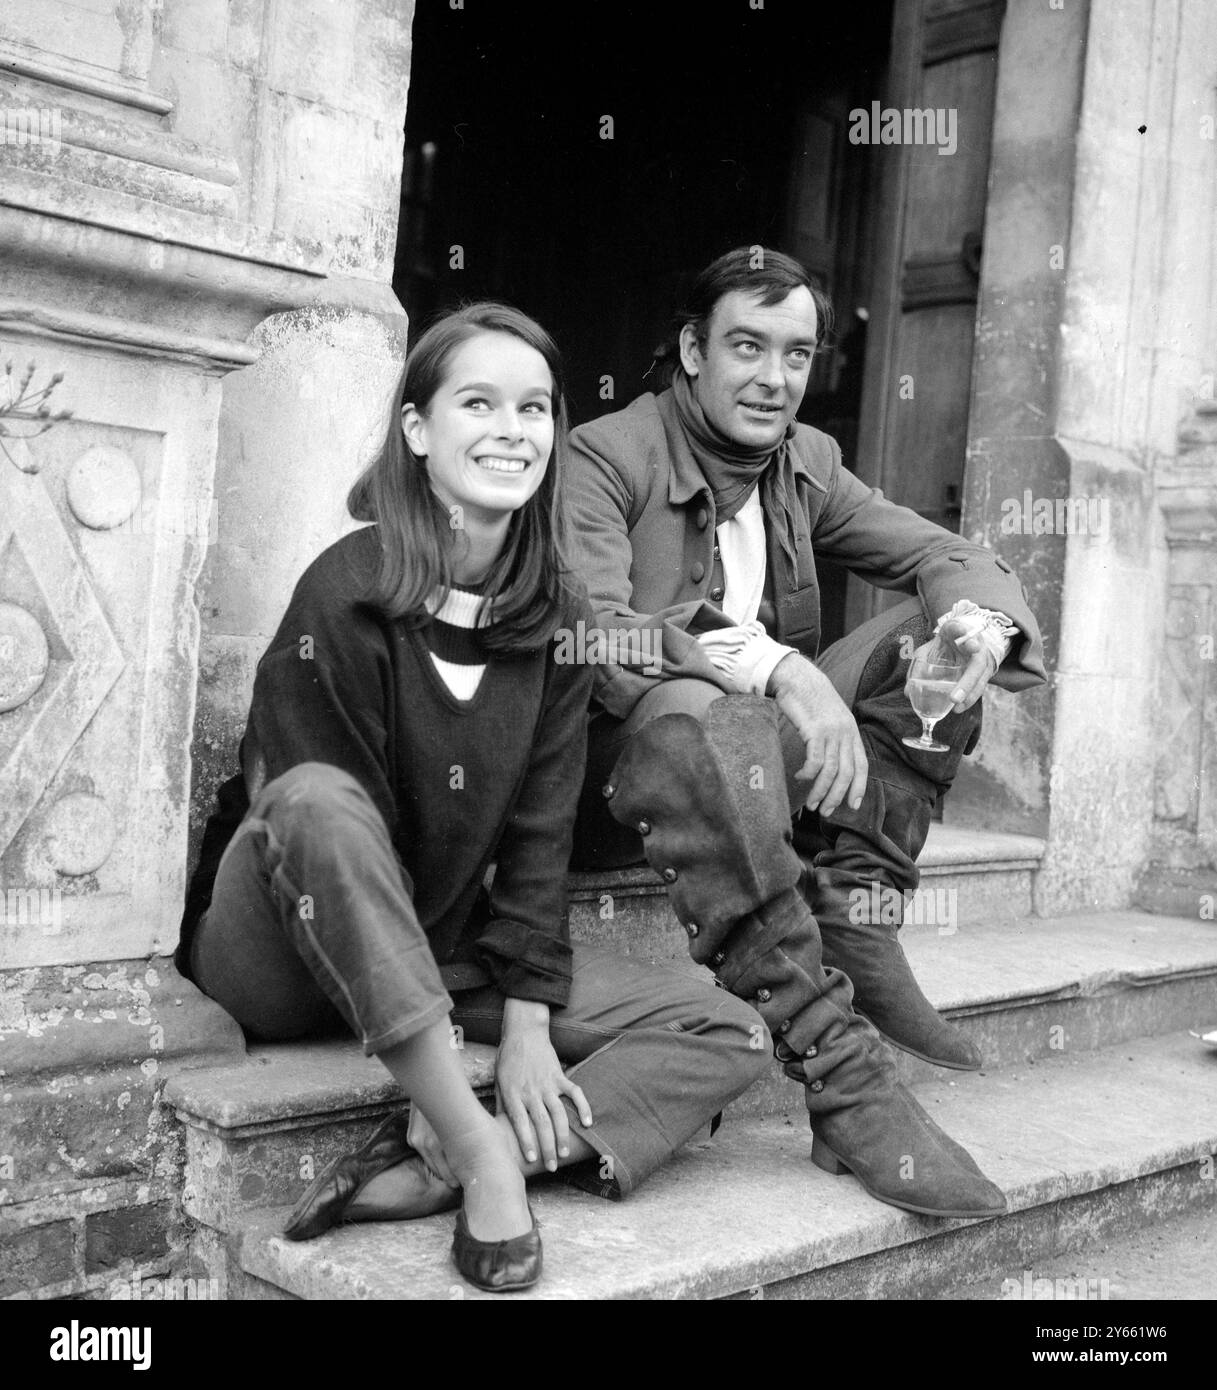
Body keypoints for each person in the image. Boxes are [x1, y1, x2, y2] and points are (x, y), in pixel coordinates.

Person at [176, 302, 769, 1293]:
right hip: (284, 945)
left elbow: (538, 841)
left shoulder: (555, 619)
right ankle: (484, 1157)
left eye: (533, 407)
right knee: (318, 800)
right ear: (416, 430)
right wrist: (448, 1051)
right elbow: (320, 824)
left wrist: (530, 1023)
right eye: (478, 402)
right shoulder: (346, 590)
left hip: (453, 948)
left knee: (728, 1028)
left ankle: (446, 1160)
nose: (512, 428)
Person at [566, 247, 1048, 1220]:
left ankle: (857, 916)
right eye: (746, 345)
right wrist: (780, 668)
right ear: (690, 349)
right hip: (624, 772)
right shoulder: (603, 455)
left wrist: (979, 628)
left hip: (749, 757)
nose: (773, 377)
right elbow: (601, 624)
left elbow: (948, 553)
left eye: (795, 353)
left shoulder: (805, 463)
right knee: (700, 709)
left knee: (948, 627)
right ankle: (842, 1075)